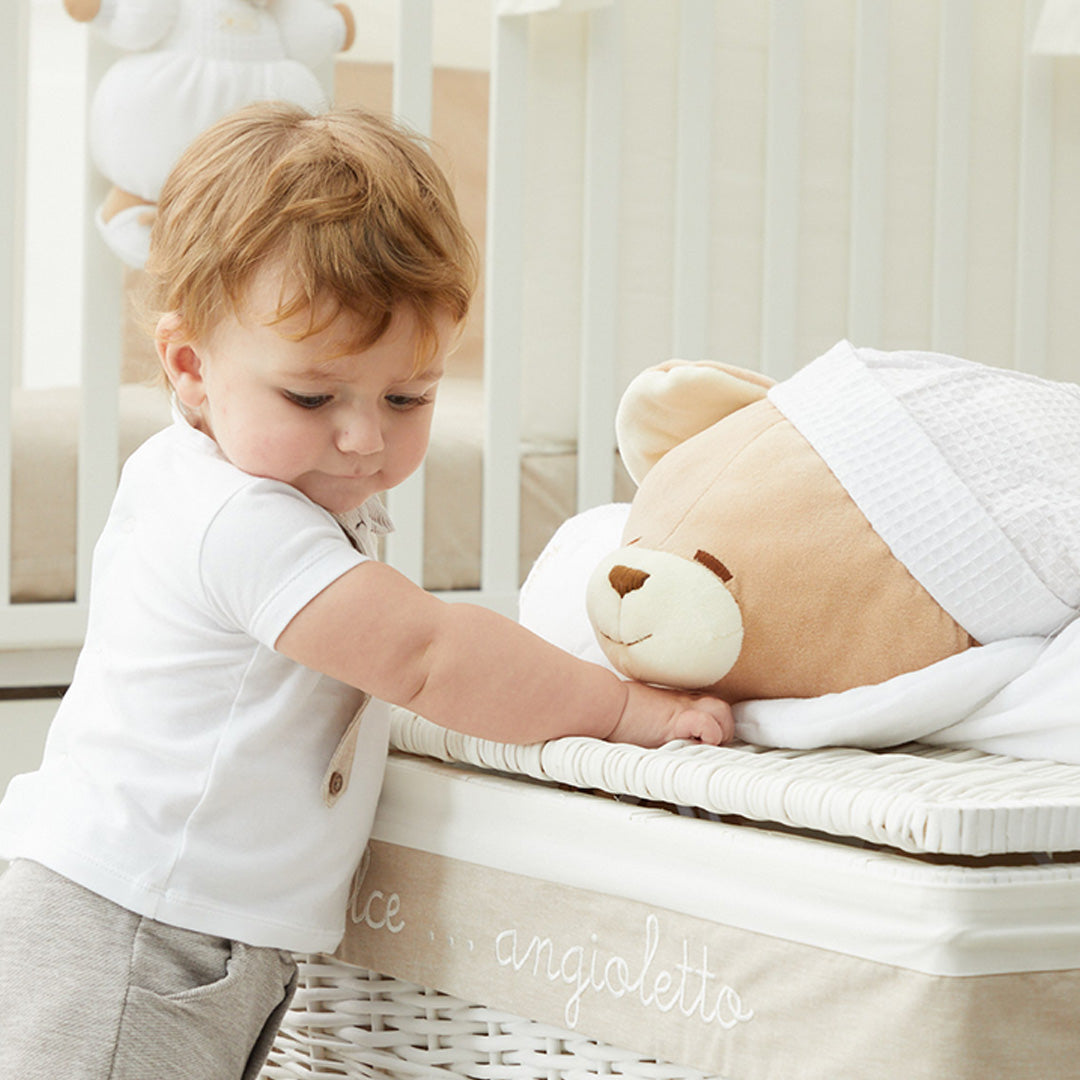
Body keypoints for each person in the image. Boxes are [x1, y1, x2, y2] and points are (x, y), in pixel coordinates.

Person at [0, 103, 733, 1079]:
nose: (364, 438)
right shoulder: (233, 516)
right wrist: (625, 709)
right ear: (190, 367)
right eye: (312, 397)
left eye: (407, 397)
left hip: (183, 926)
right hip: (128, 932)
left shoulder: (278, 493)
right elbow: (427, 654)